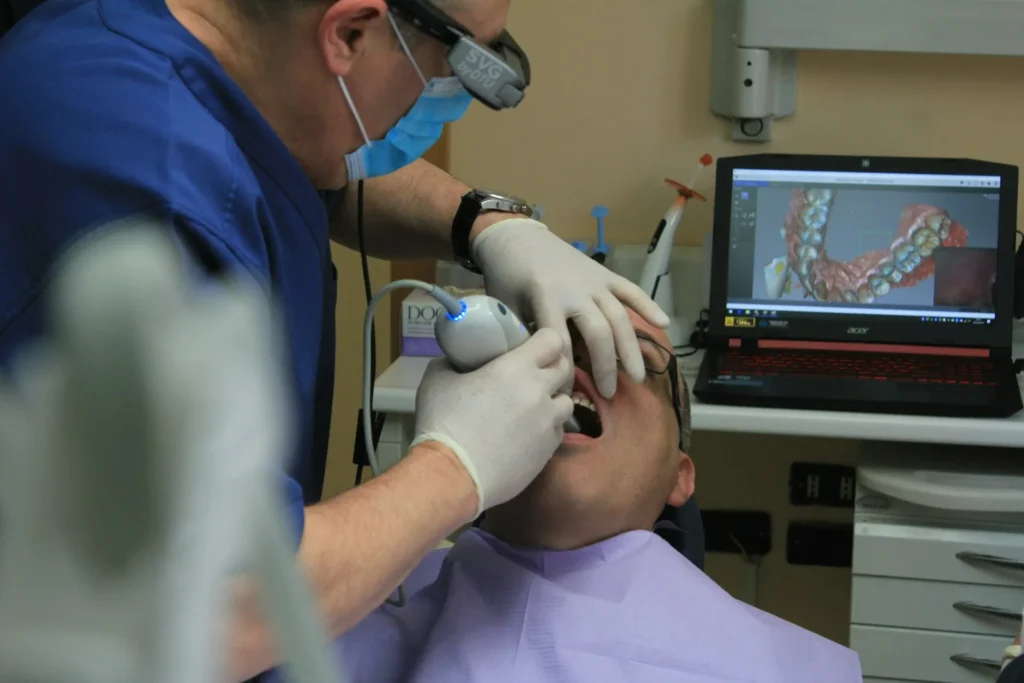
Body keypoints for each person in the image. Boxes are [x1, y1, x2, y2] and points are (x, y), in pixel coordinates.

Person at [0, 0, 669, 679]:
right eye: (453, 66)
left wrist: (487, 224)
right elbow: (211, 609)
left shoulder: (198, 62)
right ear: (348, 32)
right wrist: (453, 468)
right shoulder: (142, 189)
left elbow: (320, 161)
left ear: (684, 477)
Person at [293, 309, 864, 683]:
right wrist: (441, 471)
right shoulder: (327, 606)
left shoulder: (795, 670)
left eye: (629, 356)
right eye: (547, 353)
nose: (572, 372)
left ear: (680, 476)